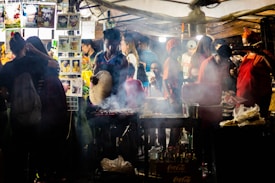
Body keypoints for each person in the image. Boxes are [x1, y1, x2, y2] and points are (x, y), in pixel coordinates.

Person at [0, 33, 69, 182]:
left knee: (19, 153)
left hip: (17, 117)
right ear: (25, 46)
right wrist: (37, 51)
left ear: (11, 49)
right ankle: (34, 176)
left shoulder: (8, 68)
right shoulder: (34, 62)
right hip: (35, 117)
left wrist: (10, 96)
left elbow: (3, 91)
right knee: (34, 153)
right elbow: (55, 64)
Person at [236, 30, 275, 118]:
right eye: (244, 44)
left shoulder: (263, 55)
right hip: (243, 97)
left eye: (247, 43)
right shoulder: (246, 57)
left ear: (254, 42)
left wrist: (262, 54)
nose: (245, 46)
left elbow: (273, 68)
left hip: (259, 97)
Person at [92, 28, 129, 107]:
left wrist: (113, 97)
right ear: (104, 41)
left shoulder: (122, 59)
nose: (111, 47)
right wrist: (93, 79)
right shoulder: (99, 57)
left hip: (118, 98)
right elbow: (95, 76)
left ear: (119, 43)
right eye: (108, 44)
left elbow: (122, 81)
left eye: (114, 44)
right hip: (101, 97)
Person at [162, 38, 183, 147]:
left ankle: (174, 148)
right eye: (175, 49)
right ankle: (171, 148)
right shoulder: (169, 61)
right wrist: (170, 97)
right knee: (176, 124)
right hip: (172, 97)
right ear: (170, 50)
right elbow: (165, 80)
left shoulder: (175, 61)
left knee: (178, 125)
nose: (177, 51)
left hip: (177, 96)